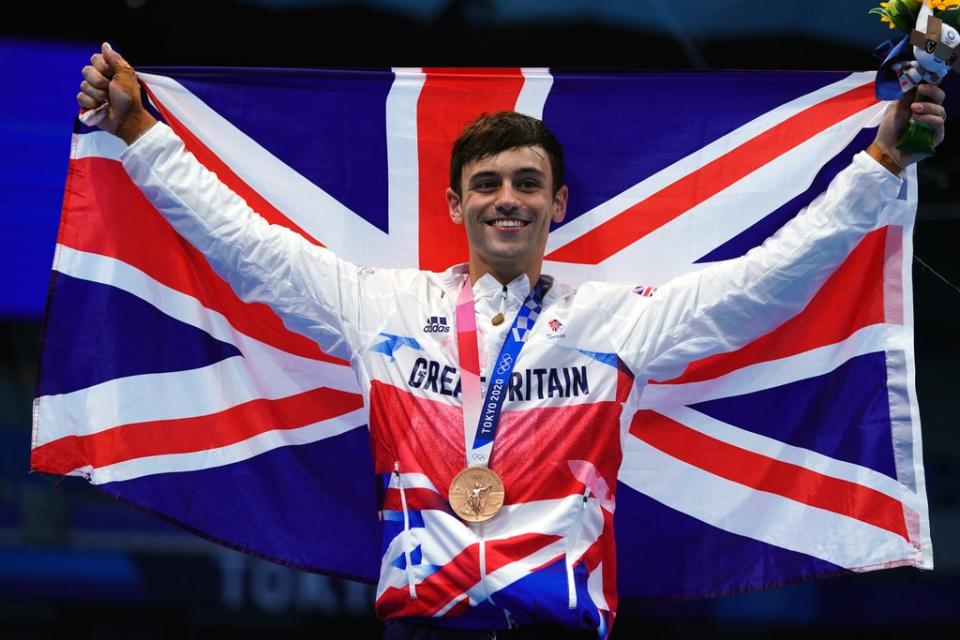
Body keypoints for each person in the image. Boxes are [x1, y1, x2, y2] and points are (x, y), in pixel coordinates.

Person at [77, 42, 945, 639]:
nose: (507, 198)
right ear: (454, 206)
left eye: (528, 184)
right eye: (486, 183)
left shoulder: (618, 321)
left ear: (557, 204)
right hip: (423, 629)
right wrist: (139, 134)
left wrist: (881, 166)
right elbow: (246, 247)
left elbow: (768, 281)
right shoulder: (380, 306)